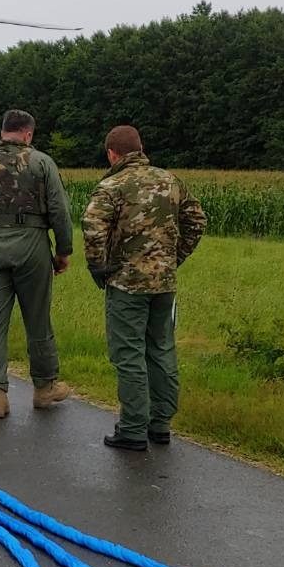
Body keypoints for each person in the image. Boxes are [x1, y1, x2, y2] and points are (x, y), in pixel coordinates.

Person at [82, 125, 207, 451]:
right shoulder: (170, 181)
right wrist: (173, 258)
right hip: (164, 283)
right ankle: (161, 423)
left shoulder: (111, 186)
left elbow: (92, 226)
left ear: (112, 153)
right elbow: (197, 220)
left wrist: (98, 266)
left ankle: (133, 429)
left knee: (129, 354)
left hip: (126, 283)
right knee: (161, 348)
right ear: (140, 147)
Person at [0, 109, 74, 418]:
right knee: (37, 318)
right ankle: (44, 388)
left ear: (4, 131)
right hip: (31, 244)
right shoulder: (41, 162)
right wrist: (63, 251)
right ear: (28, 134)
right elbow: (60, 210)